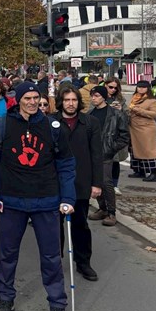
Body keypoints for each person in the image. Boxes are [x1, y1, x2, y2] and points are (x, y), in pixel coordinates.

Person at [0, 82, 76, 311]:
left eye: (37, 98)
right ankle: (5, 298)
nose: (33, 102)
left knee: (51, 256)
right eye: (28, 98)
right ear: (19, 99)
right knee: (7, 255)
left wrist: (67, 199)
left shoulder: (53, 128)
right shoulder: (2, 126)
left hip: (46, 201)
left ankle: (57, 303)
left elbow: (66, 165)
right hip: (11, 202)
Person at [51, 86, 104, 281]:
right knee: (55, 227)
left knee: (80, 226)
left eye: (73, 100)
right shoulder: (51, 122)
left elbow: (96, 155)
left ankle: (83, 262)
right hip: (55, 182)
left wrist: (96, 183)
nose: (70, 103)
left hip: (81, 181)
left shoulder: (90, 122)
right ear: (61, 102)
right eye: (66, 100)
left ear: (78, 102)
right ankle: (55, 261)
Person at [87, 86, 129, 229]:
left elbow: (124, 136)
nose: (94, 98)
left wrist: (111, 148)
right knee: (95, 182)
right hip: (91, 153)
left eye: (97, 95)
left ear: (104, 97)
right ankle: (102, 208)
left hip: (105, 153)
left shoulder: (116, 114)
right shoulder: (90, 113)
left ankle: (111, 212)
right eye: (92, 95)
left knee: (106, 182)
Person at [126, 81, 156, 181]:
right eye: (139, 87)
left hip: (146, 128)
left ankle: (154, 173)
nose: (140, 89)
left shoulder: (152, 100)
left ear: (148, 89)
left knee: (148, 151)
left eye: (143, 87)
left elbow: (155, 114)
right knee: (135, 150)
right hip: (134, 128)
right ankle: (139, 171)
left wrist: (137, 110)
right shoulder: (134, 98)